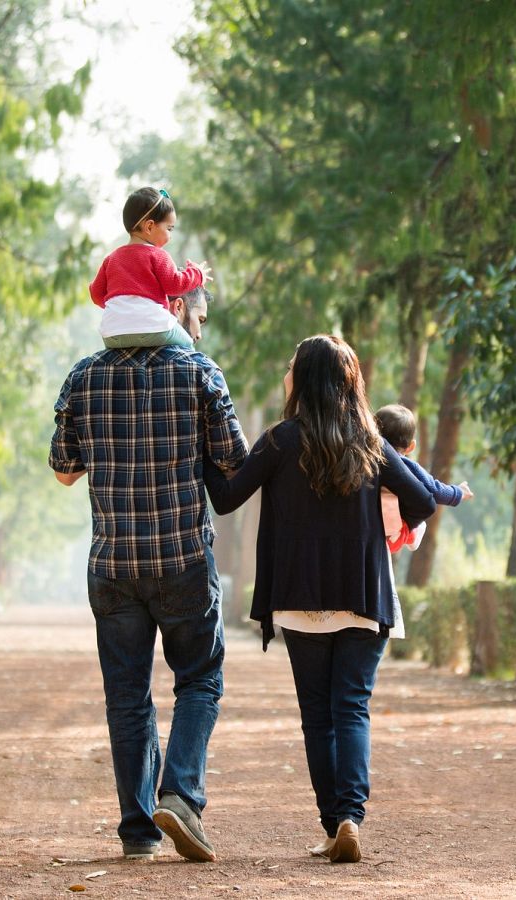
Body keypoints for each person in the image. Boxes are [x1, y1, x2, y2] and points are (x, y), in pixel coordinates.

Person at [203, 335, 436, 864]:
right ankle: (351, 816)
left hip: (299, 596)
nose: (286, 375)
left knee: (317, 716)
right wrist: (385, 524)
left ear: (305, 380)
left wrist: (200, 449)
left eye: (292, 367)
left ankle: (334, 825)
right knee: (351, 706)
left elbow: (227, 498)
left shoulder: (279, 441)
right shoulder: (370, 442)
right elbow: (423, 500)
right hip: (362, 593)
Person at [49, 296, 247, 864]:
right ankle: (180, 795)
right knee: (200, 681)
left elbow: (64, 470)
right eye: (199, 317)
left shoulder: (84, 375)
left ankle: (138, 832)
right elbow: (234, 459)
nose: (200, 329)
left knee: (127, 696)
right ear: (176, 306)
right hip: (182, 559)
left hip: (113, 565)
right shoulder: (200, 373)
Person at [88, 186, 212, 349]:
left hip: (112, 333)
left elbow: (96, 294)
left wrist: (120, 308)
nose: (170, 235)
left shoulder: (111, 259)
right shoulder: (158, 255)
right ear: (149, 227)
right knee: (187, 344)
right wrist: (197, 274)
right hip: (152, 328)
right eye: (169, 229)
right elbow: (175, 285)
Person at [372, 404, 475, 550]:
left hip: (371, 529)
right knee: (419, 523)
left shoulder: (365, 462)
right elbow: (435, 489)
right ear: (411, 447)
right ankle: (412, 534)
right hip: (394, 536)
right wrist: (458, 492)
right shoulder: (408, 466)